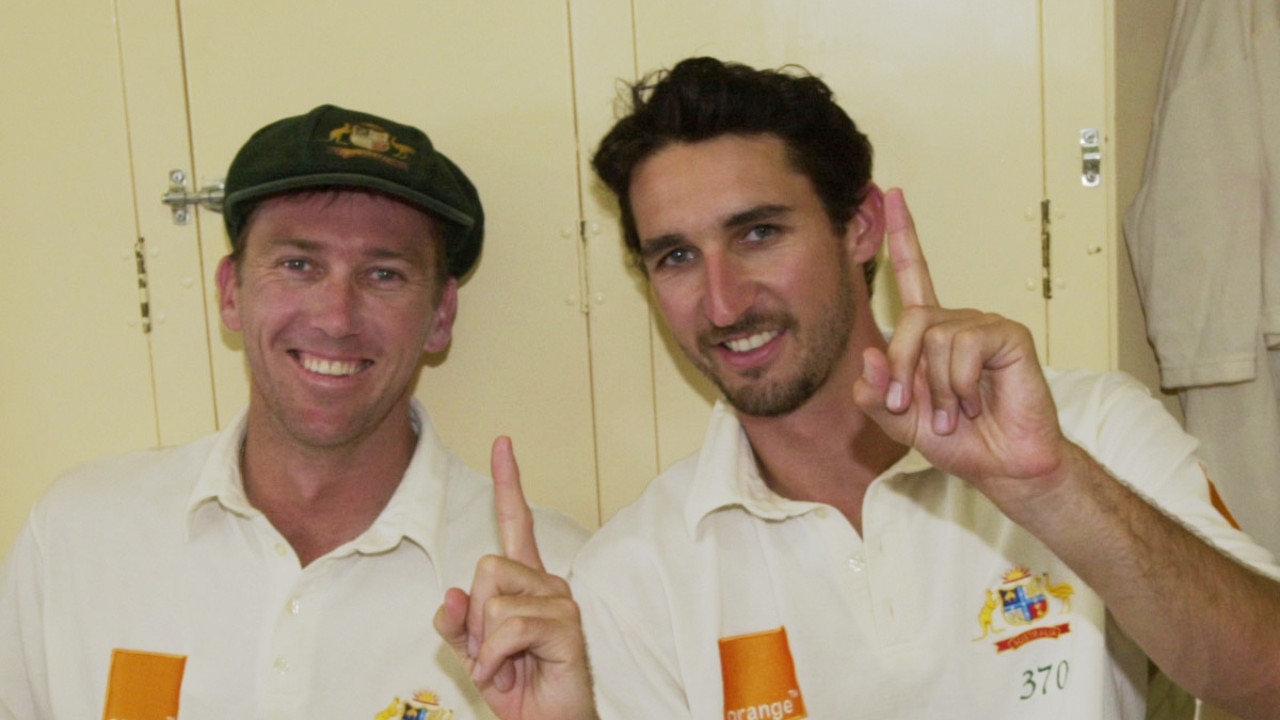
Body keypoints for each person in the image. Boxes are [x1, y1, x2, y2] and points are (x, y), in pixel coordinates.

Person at [573, 57, 1280, 719]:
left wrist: (1051, 486)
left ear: (861, 227)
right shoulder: (631, 575)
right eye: (677, 256)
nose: (723, 304)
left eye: (759, 232)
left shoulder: (1090, 427)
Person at [0, 104, 594, 720]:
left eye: (384, 274)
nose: (336, 317)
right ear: (231, 293)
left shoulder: (551, 588)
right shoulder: (78, 538)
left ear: (440, 317)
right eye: (298, 264)